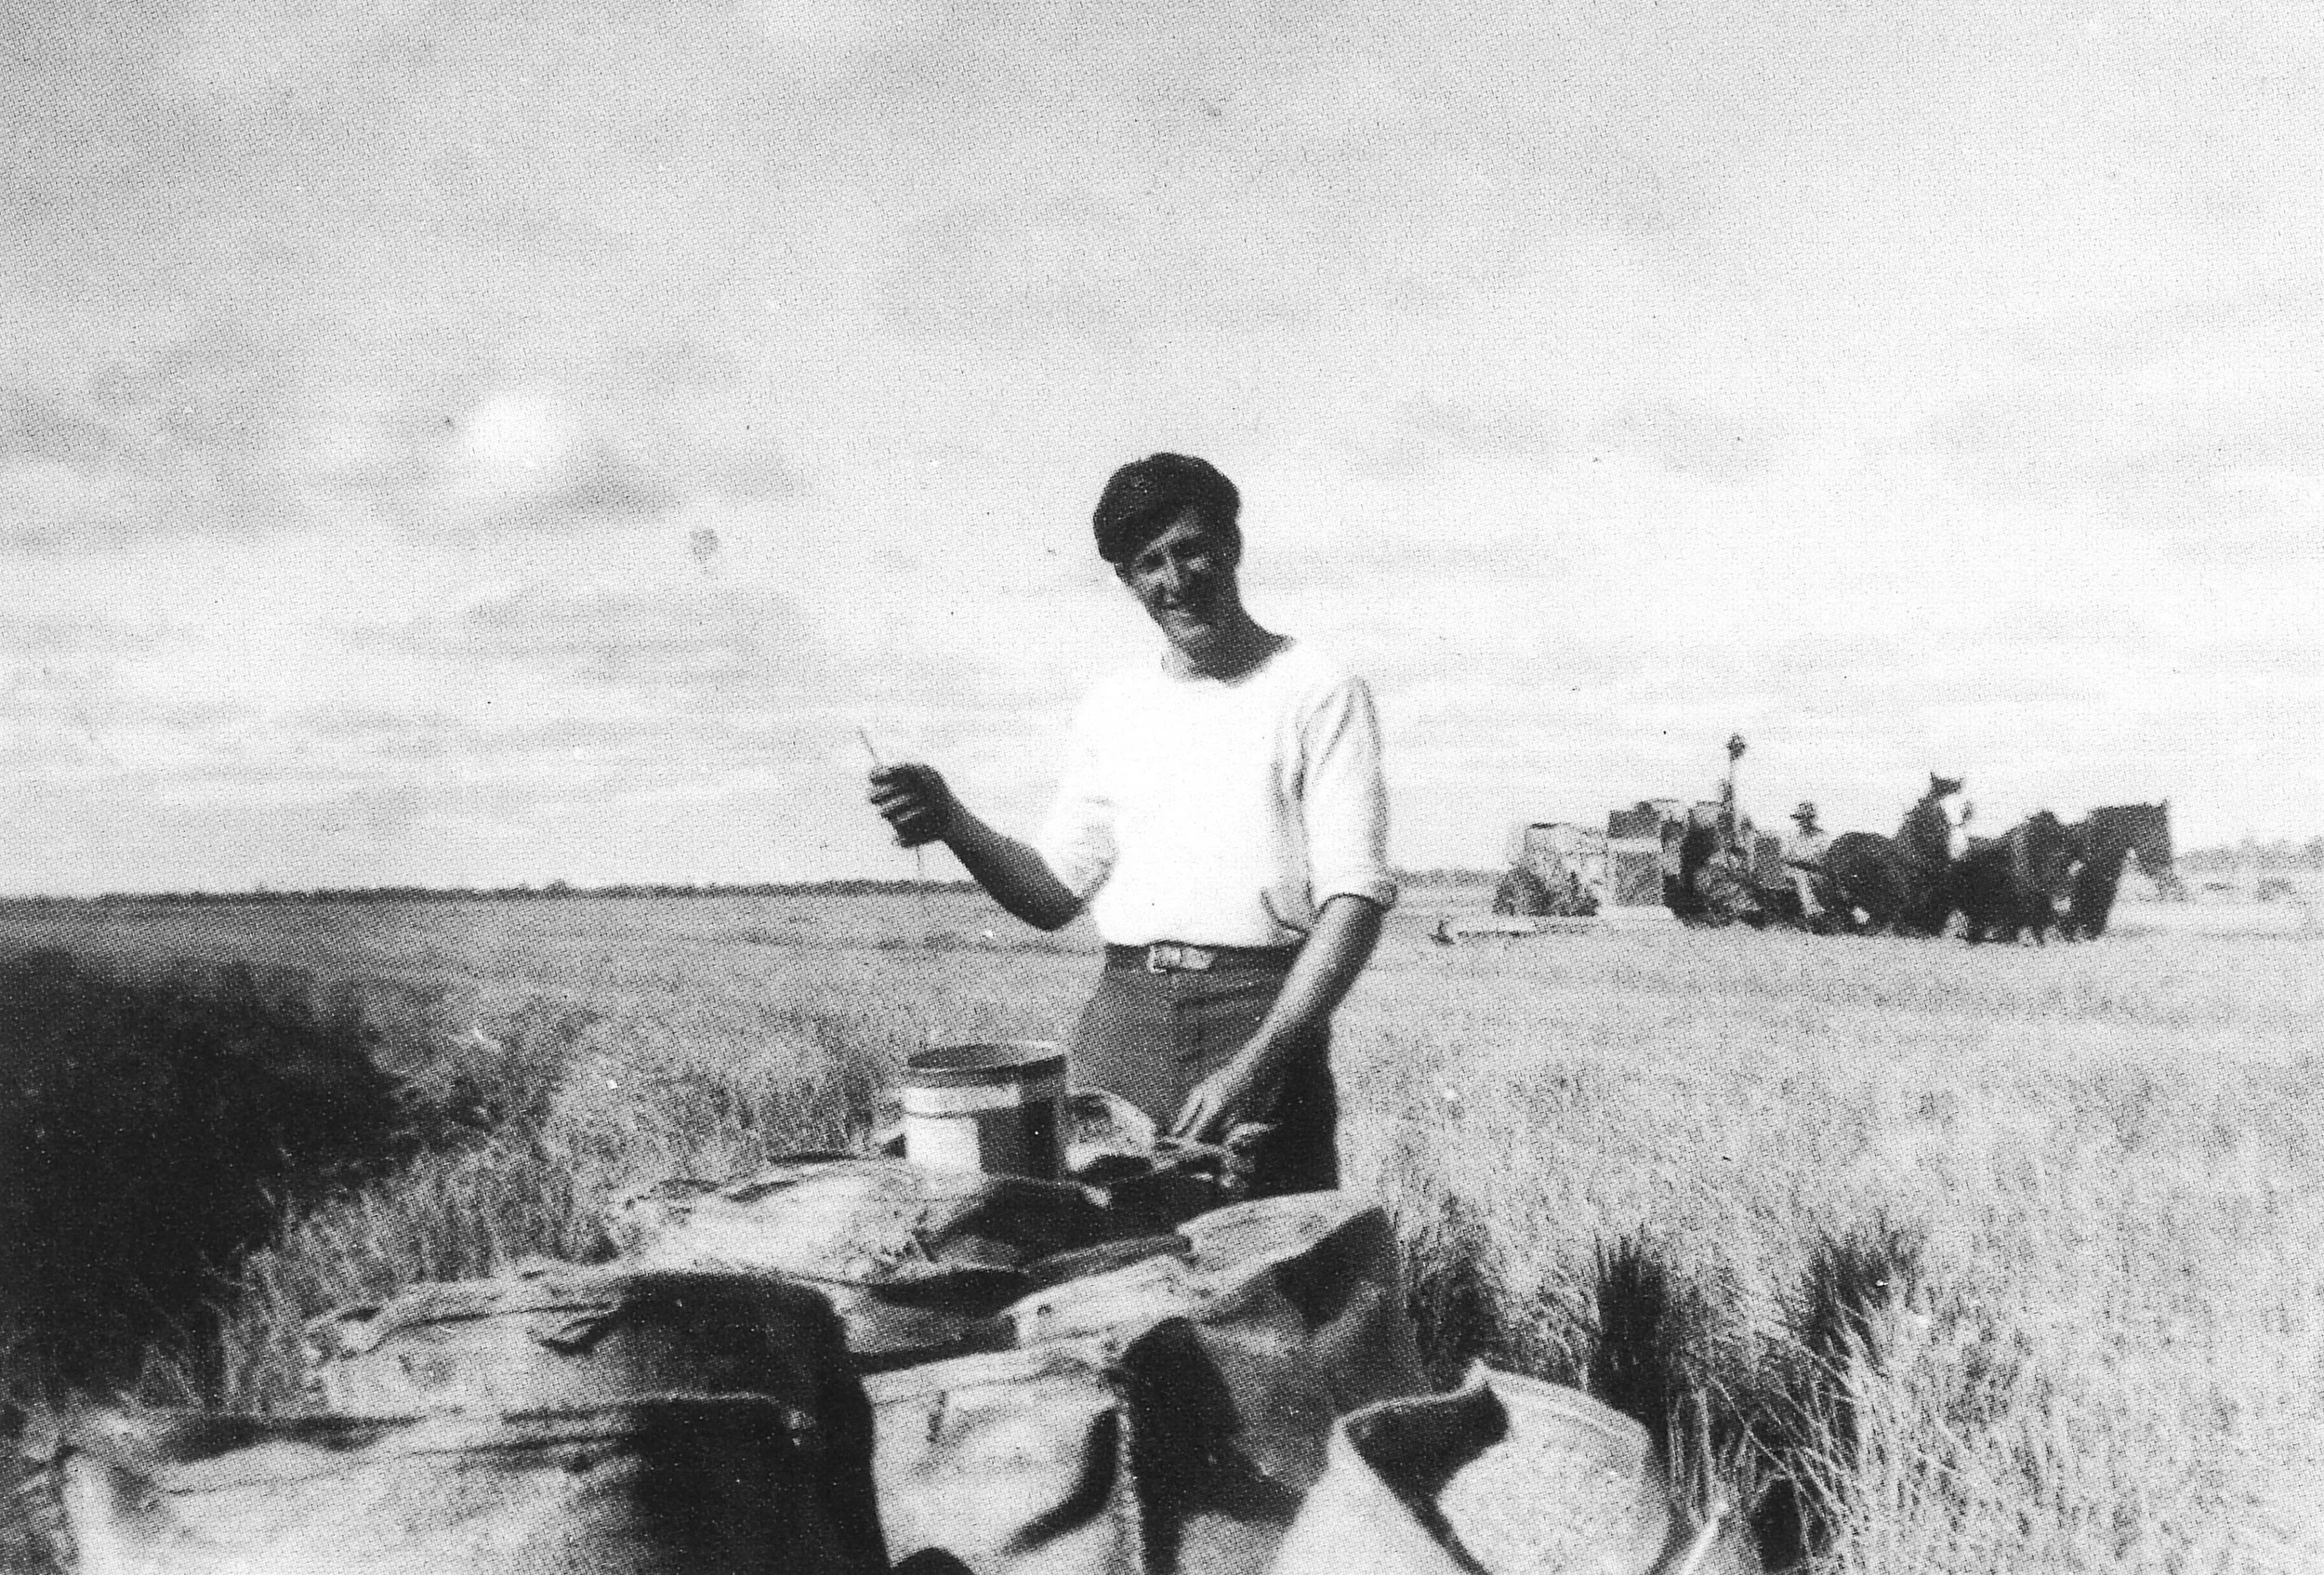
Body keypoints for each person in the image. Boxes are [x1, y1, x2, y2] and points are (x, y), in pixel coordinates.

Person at [866, 454, 1396, 1197]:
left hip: (1260, 1020)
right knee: (1103, 1271)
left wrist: (1257, 1068)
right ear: (1126, 580)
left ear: (1232, 544)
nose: (1175, 580)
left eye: (1190, 549)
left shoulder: (1319, 690)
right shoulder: (1114, 707)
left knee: (1272, 1284)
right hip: (1123, 1027)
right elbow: (1052, 893)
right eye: (1148, 563)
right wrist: (951, 818)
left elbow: (1354, 901)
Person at [1785, 801, 1833, 921]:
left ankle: (1817, 914)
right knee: (1802, 875)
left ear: (1812, 819)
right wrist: (1797, 862)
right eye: (1800, 818)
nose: (1803, 822)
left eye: (1806, 818)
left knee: (1805, 876)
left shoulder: (1822, 837)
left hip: (1816, 872)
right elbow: (1785, 857)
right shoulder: (1792, 836)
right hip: (1793, 871)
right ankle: (1813, 913)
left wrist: (1807, 863)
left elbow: (1826, 859)